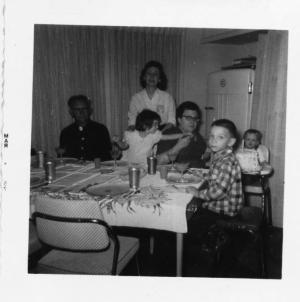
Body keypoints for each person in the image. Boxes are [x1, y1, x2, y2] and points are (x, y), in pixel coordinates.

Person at [185, 119, 243, 240]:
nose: (213, 140)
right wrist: (203, 176)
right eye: (211, 136)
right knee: (191, 213)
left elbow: (218, 192)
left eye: (220, 137)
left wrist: (197, 193)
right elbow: (217, 176)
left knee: (188, 226)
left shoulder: (226, 162)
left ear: (231, 141)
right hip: (220, 206)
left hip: (223, 211)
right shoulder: (220, 155)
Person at [113, 109, 190, 166]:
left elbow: (168, 137)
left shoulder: (154, 135)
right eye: (155, 124)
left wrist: (182, 134)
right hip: (129, 165)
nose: (158, 127)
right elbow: (124, 146)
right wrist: (118, 141)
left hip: (145, 166)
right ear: (145, 126)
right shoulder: (131, 134)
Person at [58, 95, 112, 161]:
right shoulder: (66, 132)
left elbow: (108, 156)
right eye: (77, 109)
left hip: (96, 169)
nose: (81, 112)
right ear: (71, 112)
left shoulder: (100, 130)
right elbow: (62, 157)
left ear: (90, 110)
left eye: (84, 109)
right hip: (73, 170)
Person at [128, 61, 176, 132]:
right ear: (144, 77)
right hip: (142, 134)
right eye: (149, 73)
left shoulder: (167, 97)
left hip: (162, 132)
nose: (152, 76)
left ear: (159, 79)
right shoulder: (136, 98)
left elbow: (171, 122)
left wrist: (157, 135)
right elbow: (132, 123)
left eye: (155, 74)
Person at [156, 101, 207, 168]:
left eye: (195, 118)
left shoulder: (197, 136)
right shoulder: (169, 135)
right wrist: (178, 147)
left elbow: (201, 157)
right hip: (174, 175)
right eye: (188, 118)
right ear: (179, 120)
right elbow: (158, 162)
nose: (192, 121)